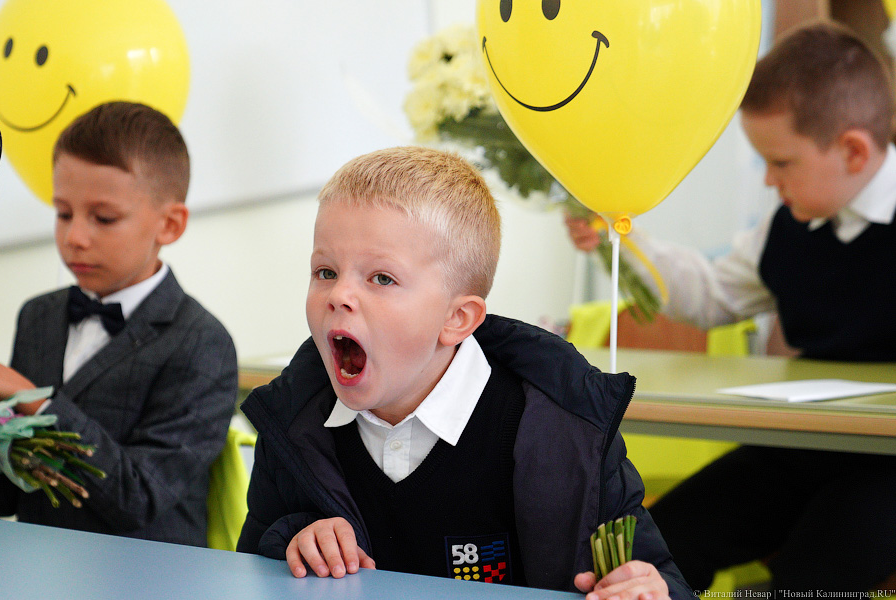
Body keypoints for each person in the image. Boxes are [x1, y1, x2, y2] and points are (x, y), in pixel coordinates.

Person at [235, 146, 691, 599]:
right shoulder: (292, 422)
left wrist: (652, 591)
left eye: (381, 279)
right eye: (326, 271)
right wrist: (291, 543)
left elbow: (661, 582)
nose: (340, 295)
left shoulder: (567, 432)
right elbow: (249, 572)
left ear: (457, 319)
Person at [566, 21, 896, 591]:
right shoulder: (787, 226)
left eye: (782, 162)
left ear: (853, 150)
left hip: (886, 462)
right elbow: (713, 295)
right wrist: (626, 239)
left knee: (809, 577)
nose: (769, 180)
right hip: (803, 443)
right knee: (662, 542)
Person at [0, 101, 239, 547]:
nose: (75, 237)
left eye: (103, 218)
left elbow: (140, 496)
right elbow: (12, 488)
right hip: (36, 570)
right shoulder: (38, 316)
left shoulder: (202, 342)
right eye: (63, 213)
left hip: (147, 581)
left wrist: (31, 399)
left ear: (169, 224)